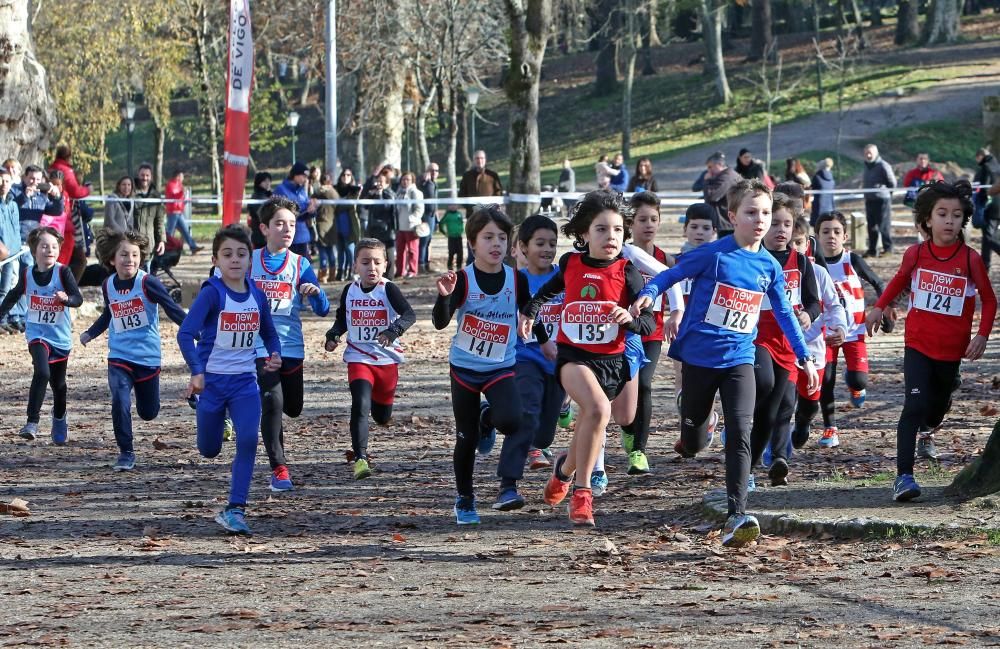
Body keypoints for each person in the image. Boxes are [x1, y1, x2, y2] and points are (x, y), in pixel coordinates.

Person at [632, 179, 819, 548]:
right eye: (751, 213)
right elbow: (671, 275)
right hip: (700, 360)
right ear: (733, 216)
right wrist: (649, 294)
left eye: (765, 213)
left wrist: (805, 358)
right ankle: (691, 425)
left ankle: (737, 514)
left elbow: (784, 314)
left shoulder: (768, 266)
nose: (761, 220)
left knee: (741, 431)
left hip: (740, 359)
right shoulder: (715, 254)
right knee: (694, 439)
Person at [520, 190, 656, 527]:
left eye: (617, 231)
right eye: (601, 229)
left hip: (612, 361)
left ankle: (564, 470)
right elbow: (547, 292)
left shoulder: (628, 272)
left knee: (592, 420)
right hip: (573, 357)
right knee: (597, 409)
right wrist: (531, 310)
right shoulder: (571, 263)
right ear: (584, 234)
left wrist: (630, 320)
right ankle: (582, 495)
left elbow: (649, 322)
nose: (610, 237)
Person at [866, 180, 996, 501]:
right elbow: (898, 280)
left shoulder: (970, 259)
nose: (949, 220)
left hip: (951, 351)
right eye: (942, 214)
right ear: (927, 220)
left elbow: (990, 301)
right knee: (914, 406)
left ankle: (934, 418)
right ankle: (904, 478)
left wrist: (981, 335)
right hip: (918, 345)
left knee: (935, 409)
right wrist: (879, 307)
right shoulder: (916, 254)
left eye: (955, 214)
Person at [177, 224, 282, 536]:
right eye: (227, 255)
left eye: (241, 254)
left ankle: (235, 508)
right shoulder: (212, 293)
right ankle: (206, 411)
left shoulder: (258, 296)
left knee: (249, 439)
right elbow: (185, 334)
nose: (235, 260)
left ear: (250, 259)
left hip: (244, 382)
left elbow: (270, 334)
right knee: (209, 450)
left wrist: (274, 354)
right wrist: (197, 372)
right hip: (211, 383)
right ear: (216, 260)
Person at [432, 206, 531, 524]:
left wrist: (539, 329)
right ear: (473, 243)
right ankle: (464, 499)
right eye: (488, 237)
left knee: (512, 420)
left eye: (502, 238)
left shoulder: (516, 279)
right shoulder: (463, 279)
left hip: (501, 366)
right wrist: (444, 298)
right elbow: (439, 322)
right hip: (464, 370)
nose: (496, 244)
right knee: (466, 438)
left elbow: (530, 309)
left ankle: (487, 417)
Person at [80, 229, 187, 470]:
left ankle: (146, 409)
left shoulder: (147, 282)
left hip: (147, 357)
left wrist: (196, 330)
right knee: (119, 399)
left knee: (149, 412)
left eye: (135, 255)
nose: (130, 260)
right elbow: (110, 313)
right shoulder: (108, 285)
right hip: (119, 355)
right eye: (124, 255)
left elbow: (171, 308)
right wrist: (91, 332)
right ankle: (126, 452)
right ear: (112, 259)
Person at [250, 198, 331, 492]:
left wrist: (315, 292)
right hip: (259, 347)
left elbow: (323, 309)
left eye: (293, 225)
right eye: (280, 224)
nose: (287, 230)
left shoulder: (300, 263)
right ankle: (279, 468)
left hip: (292, 347)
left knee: (293, 407)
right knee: (272, 401)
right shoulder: (250, 261)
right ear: (264, 228)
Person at [324, 238, 416, 479]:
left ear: (385, 265)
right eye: (365, 262)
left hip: (386, 361)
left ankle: (381, 407)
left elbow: (409, 314)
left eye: (376, 262)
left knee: (381, 416)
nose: (371, 267)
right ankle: (361, 458)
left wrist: (392, 331)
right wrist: (333, 335)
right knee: (360, 404)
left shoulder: (388, 289)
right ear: (356, 265)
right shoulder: (349, 290)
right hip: (359, 358)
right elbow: (343, 319)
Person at [748, 193, 822, 488]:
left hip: (790, 343)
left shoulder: (802, 262)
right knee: (765, 387)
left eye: (787, 224)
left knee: (786, 403)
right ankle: (749, 464)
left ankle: (778, 459)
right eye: (775, 223)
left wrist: (808, 316)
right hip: (757, 339)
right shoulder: (752, 258)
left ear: (794, 229)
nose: (780, 229)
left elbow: (814, 302)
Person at [0, 226, 83, 443]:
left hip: (60, 337)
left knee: (59, 385)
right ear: (34, 250)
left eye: (54, 247)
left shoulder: (63, 272)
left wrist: (66, 299)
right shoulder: (27, 274)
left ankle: (59, 419)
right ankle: (32, 422)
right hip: (37, 334)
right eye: (44, 246)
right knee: (42, 372)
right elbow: (12, 296)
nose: (49, 250)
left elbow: (78, 299)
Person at [815, 210, 890, 448]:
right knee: (825, 380)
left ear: (845, 236)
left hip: (854, 330)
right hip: (826, 332)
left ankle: (855, 387)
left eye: (836, 232)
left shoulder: (852, 260)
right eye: (826, 232)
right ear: (816, 236)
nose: (831, 236)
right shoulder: (813, 264)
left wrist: (883, 308)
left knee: (859, 380)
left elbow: (878, 283)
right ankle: (830, 428)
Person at [621, 191, 683, 474]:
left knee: (644, 384)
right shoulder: (621, 255)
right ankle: (627, 426)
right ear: (629, 224)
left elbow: (675, 288)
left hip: (652, 330)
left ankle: (639, 452)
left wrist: (674, 314)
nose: (648, 225)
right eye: (641, 219)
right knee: (622, 388)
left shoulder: (666, 260)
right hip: (622, 332)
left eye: (653, 219)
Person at [789, 218, 847, 450]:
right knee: (782, 398)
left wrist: (840, 328)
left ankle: (803, 423)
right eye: (789, 243)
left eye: (798, 242)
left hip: (813, 345)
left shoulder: (819, 273)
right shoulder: (768, 268)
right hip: (781, 346)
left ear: (807, 244)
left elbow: (834, 306)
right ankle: (777, 445)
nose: (793, 248)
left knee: (810, 400)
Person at [515, 215, 563, 474]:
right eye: (540, 243)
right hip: (525, 355)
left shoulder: (564, 276)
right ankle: (531, 448)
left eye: (552, 244)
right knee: (529, 404)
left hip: (559, 360)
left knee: (547, 431)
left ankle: (539, 444)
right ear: (524, 247)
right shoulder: (516, 280)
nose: (547, 250)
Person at [273, 162, 316, 258]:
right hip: (287, 236)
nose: (306, 179)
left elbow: (306, 209)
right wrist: (304, 211)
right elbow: (280, 214)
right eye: (304, 175)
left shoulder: (302, 191)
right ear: (295, 174)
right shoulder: (281, 190)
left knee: (302, 269)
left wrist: (312, 210)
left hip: (302, 236)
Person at [861, 144, 897, 257]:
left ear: (876, 153)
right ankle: (872, 250)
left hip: (882, 200)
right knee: (871, 226)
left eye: (870, 152)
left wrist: (886, 193)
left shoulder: (883, 165)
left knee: (883, 226)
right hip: (869, 200)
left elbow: (892, 183)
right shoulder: (867, 166)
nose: (868, 154)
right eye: (866, 152)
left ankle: (888, 249)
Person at [364, 168, 397, 276]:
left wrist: (379, 195)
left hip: (387, 231)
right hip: (374, 230)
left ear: (387, 183)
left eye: (381, 182)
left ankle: (389, 280)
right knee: (376, 257)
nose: (378, 184)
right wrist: (371, 194)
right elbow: (365, 206)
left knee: (389, 257)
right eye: (377, 181)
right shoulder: (373, 193)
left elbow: (385, 207)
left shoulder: (390, 194)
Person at [0, 167, 21, 334]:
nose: (3, 184)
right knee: (3, 289)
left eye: (6, 181)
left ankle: (4, 319)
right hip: (1, 252)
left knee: (10, 288)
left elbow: (15, 229)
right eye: (0, 180)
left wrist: (17, 249)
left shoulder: (13, 204)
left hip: (12, 253)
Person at [701, 152, 741, 236]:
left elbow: (712, 196)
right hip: (727, 222)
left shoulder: (727, 177)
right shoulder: (725, 175)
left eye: (710, 167)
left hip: (727, 224)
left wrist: (706, 181)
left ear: (719, 164)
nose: (708, 170)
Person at [973, 148, 1000, 268]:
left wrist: (980, 196)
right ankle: (984, 266)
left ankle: (985, 265)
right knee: (987, 238)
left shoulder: (986, 167)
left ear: (980, 156)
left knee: (989, 237)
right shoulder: (997, 165)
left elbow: (986, 189)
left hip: (990, 206)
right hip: (997, 206)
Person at [394, 171, 424, 278]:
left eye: (408, 179)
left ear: (412, 181)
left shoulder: (416, 193)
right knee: (400, 250)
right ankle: (400, 271)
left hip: (412, 227)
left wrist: (412, 220)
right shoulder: (398, 192)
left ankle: (412, 270)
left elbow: (419, 209)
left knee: (412, 250)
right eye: (403, 179)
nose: (405, 181)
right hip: (400, 227)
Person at [334, 168, 362, 281]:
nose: (346, 177)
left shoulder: (355, 190)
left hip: (349, 225)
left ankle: (353, 271)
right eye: (344, 175)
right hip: (336, 224)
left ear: (351, 177)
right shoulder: (334, 190)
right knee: (340, 250)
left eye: (348, 175)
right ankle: (340, 272)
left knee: (351, 250)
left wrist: (338, 206)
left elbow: (349, 205)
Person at [164, 168, 202, 255]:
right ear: (177, 176)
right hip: (172, 212)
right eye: (181, 176)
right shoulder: (170, 184)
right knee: (170, 232)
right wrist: (181, 193)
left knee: (185, 230)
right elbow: (173, 195)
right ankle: (166, 248)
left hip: (179, 212)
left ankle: (193, 247)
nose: (182, 178)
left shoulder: (180, 185)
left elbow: (181, 197)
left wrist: (186, 199)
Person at [457, 150, 502, 219]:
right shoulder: (467, 176)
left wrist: (492, 208)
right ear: (474, 160)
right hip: (472, 215)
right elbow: (461, 194)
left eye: (482, 158)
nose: (479, 160)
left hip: (490, 215)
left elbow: (498, 193)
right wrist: (471, 208)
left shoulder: (492, 175)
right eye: (477, 158)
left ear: (485, 160)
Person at [312, 171, 340, 282]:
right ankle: (332, 274)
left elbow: (312, 198)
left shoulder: (318, 192)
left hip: (321, 224)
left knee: (323, 252)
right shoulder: (334, 193)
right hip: (331, 225)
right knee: (330, 251)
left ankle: (323, 275)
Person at [418, 164, 440, 274]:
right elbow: (417, 185)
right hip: (425, 215)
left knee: (428, 241)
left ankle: (426, 264)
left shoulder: (434, 183)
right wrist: (422, 179)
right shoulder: (424, 182)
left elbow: (435, 202)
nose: (434, 172)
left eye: (436, 170)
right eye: (431, 170)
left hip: (432, 216)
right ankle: (420, 265)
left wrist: (437, 218)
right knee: (424, 241)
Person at [248, 172, 273, 250]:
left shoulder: (268, 195)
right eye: (265, 181)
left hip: (267, 234)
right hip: (260, 236)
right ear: (259, 183)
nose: (268, 183)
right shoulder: (257, 197)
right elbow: (263, 216)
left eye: (269, 181)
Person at [809, 158, 836, 225]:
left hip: (818, 209)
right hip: (830, 209)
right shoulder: (832, 179)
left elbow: (811, 188)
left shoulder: (817, 177)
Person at [439, 204, 464, 270]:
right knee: (451, 253)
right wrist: (444, 232)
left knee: (460, 253)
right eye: (451, 205)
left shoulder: (459, 214)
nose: (453, 206)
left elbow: (461, 223)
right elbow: (441, 223)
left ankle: (459, 267)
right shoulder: (447, 215)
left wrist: (461, 230)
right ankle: (450, 267)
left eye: (455, 205)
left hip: (459, 236)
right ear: (448, 206)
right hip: (451, 237)